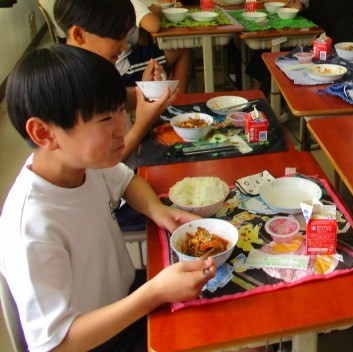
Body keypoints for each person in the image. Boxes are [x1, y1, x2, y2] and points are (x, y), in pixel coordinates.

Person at [0, 44, 214, 351]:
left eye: (119, 112)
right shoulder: (31, 226)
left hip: (126, 297)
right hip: (99, 339)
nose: (121, 127)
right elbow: (56, 344)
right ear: (44, 134)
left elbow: (127, 182)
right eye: (104, 120)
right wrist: (153, 294)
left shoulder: (82, 163)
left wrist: (159, 211)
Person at [55, 0, 174, 163]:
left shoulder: (97, 68)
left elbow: (117, 99)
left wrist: (146, 89)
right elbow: (109, 165)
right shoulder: (73, 88)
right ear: (79, 35)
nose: (124, 46)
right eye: (117, 37)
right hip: (124, 169)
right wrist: (142, 124)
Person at [100, 0, 194, 94]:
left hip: (106, 64)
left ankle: (162, 93)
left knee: (151, 45)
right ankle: (178, 102)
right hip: (123, 67)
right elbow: (153, 25)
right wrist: (155, 13)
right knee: (183, 49)